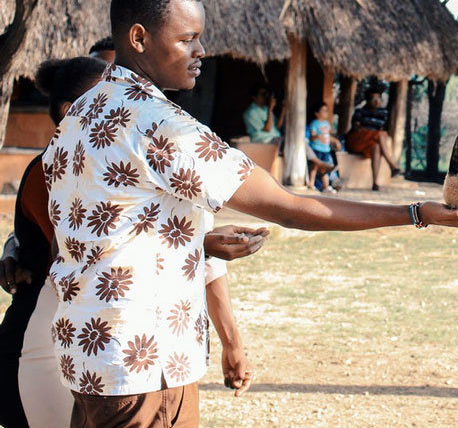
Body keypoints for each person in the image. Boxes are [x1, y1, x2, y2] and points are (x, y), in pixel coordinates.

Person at [42, 0, 458, 426]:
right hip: (145, 361)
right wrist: (416, 213)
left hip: (88, 352)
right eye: (187, 39)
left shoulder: (81, 114)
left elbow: (109, 230)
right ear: (139, 38)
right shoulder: (159, 125)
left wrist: (197, 244)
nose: (201, 50)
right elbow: (290, 207)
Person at [0, 55, 267, 428]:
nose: (123, 101)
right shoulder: (60, 168)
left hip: (124, 350)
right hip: (48, 346)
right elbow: (95, 250)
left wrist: (233, 342)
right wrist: (201, 244)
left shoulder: (143, 156)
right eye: (106, 93)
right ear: (71, 110)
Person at [345, 85, 402, 191]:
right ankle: (392, 165)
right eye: (373, 99)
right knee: (380, 134)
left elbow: (383, 128)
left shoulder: (383, 113)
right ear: (367, 100)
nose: (376, 101)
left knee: (376, 147)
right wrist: (373, 132)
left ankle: (375, 183)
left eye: (378, 98)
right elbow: (356, 128)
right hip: (357, 141)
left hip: (370, 142)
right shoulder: (360, 112)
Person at [307, 102, 340, 192]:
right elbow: (312, 137)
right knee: (314, 166)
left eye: (327, 110)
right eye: (324, 110)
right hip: (317, 149)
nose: (327, 112)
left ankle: (326, 187)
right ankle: (311, 184)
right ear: (317, 113)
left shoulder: (326, 123)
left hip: (326, 150)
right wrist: (317, 136)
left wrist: (336, 141)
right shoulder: (314, 123)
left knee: (324, 169)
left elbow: (328, 136)